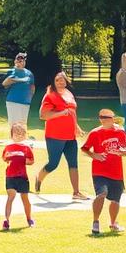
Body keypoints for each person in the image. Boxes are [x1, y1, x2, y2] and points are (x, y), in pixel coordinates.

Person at [34, 71, 88, 200]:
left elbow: (72, 113)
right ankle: (39, 177)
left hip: (70, 136)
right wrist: (60, 113)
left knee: (73, 163)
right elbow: (43, 115)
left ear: (66, 81)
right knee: (53, 163)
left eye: (62, 80)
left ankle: (76, 192)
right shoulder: (50, 96)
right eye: (57, 80)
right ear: (54, 82)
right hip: (55, 135)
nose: (60, 82)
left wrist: (77, 127)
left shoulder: (69, 94)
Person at [81, 110, 126, 235]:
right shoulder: (95, 133)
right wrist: (94, 155)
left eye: (106, 118)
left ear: (112, 119)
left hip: (116, 171)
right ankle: (95, 222)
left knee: (115, 199)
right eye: (101, 118)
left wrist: (121, 152)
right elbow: (84, 148)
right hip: (99, 171)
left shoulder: (120, 132)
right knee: (102, 193)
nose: (103, 120)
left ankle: (113, 223)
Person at [1, 123, 35, 230]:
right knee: (11, 196)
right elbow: (4, 158)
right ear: (12, 135)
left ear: (25, 135)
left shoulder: (27, 148)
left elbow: (31, 161)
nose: (19, 135)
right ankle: (6, 220)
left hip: (22, 176)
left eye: (21, 133)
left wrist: (22, 159)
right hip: (10, 175)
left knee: (25, 198)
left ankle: (29, 218)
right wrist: (8, 157)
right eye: (16, 133)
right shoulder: (8, 147)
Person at [2, 53, 35, 129]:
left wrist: (29, 98)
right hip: (13, 101)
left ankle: (22, 139)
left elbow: (32, 87)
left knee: (23, 123)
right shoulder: (12, 71)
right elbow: (4, 83)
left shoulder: (29, 73)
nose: (20, 62)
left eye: (22, 60)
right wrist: (15, 77)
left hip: (26, 102)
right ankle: (13, 139)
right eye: (18, 60)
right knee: (14, 124)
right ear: (15, 61)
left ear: (24, 62)